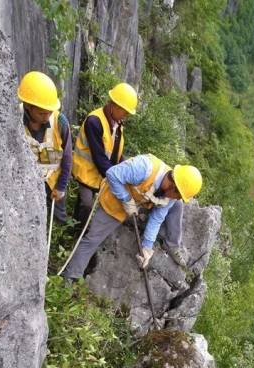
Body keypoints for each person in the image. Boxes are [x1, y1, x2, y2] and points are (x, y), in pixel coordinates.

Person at [62, 153, 203, 282]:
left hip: (137, 206)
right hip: (113, 202)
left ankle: (170, 244)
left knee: (176, 207)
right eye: (177, 195)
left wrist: (147, 248)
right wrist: (126, 199)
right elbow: (112, 174)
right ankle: (70, 275)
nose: (176, 199)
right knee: (93, 239)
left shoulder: (171, 195)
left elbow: (156, 219)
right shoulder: (144, 168)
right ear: (173, 185)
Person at [72, 82, 138, 228]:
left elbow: (116, 153)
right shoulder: (94, 122)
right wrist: (116, 179)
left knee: (89, 205)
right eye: (125, 111)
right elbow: (100, 157)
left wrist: (127, 172)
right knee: (86, 204)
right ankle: (77, 233)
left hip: (102, 174)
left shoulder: (117, 124)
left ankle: (79, 226)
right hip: (86, 173)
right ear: (115, 105)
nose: (126, 115)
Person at [18, 71, 73, 222]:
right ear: (29, 106)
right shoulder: (15, 119)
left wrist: (61, 187)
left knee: (58, 217)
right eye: (42, 113)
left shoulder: (60, 122)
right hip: (29, 183)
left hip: (53, 180)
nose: (47, 116)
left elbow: (68, 158)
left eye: (49, 112)